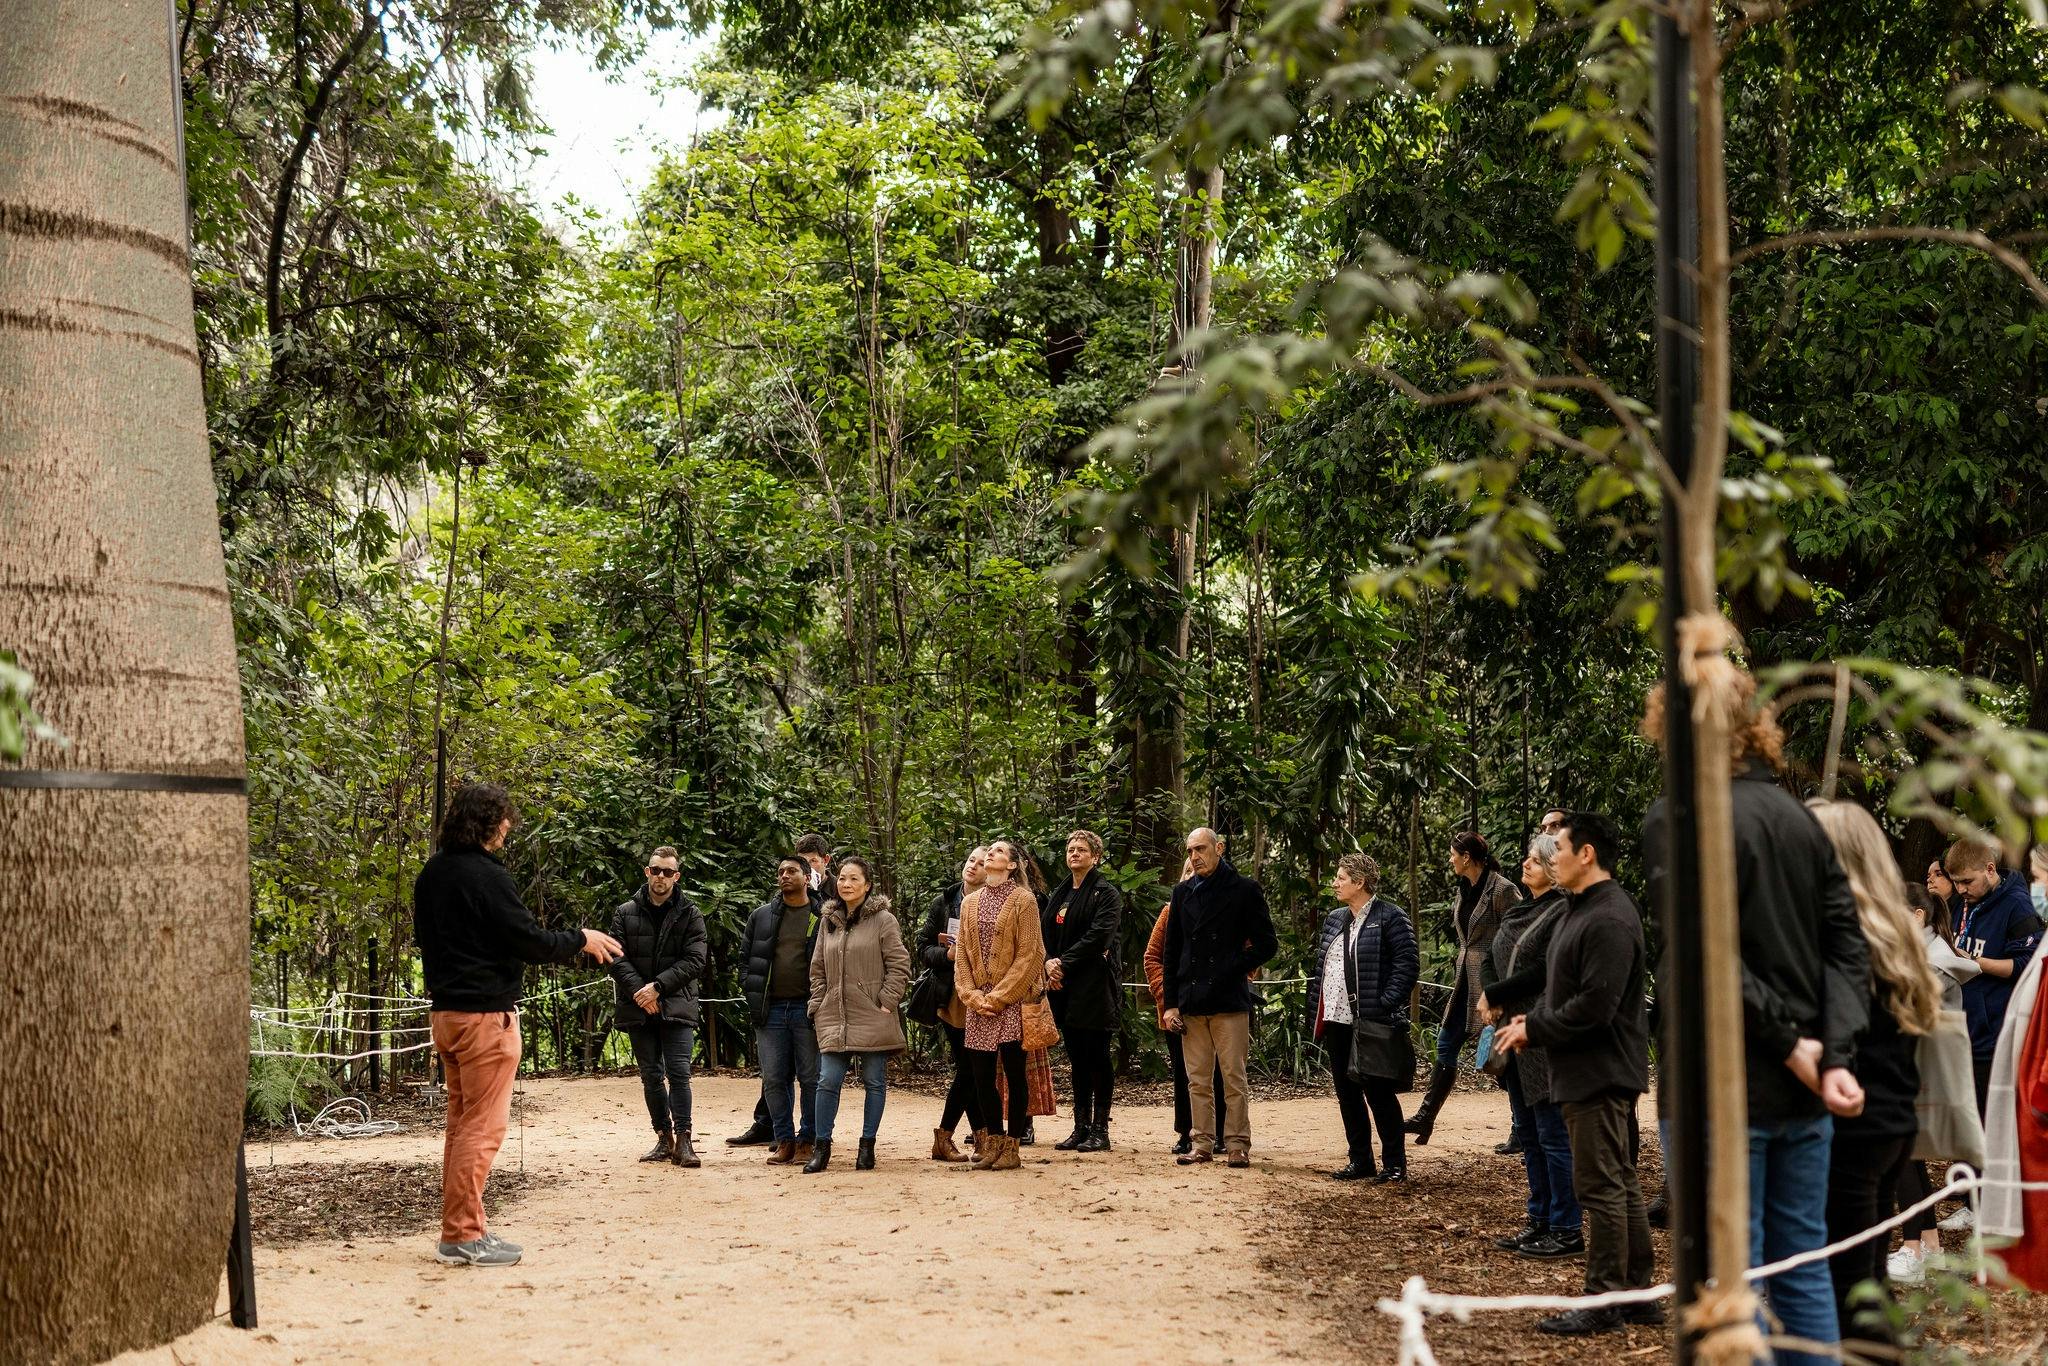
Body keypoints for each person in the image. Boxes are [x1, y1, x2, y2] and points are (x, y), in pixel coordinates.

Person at [1642, 675, 1869, 1363]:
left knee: (1733, 1280)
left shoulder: (1678, 817)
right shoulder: (1799, 818)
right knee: (1802, 1268)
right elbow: (1848, 946)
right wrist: (1833, 1055)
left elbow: (1703, 951)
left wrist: (1803, 1047)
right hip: (1804, 1086)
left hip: (1722, 1088)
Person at [414, 782, 622, 1266]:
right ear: (487, 823)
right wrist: (580, 939)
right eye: (503, 820)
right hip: (484, 1018)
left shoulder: (432, 873)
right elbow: (527, 939)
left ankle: (467, 1228)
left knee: (461, 1127)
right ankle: (461, 1236)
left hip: (446, 1016)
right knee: (481, 1130)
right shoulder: (487, 876)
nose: (507, 829)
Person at [1494, 812, 1656, 1337]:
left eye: (1559, 848)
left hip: (1600, 1070)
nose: (1551, 856)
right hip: (1582, 1067)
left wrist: (1535, 1028)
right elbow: (1560, 984)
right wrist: (1529, 1020)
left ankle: (1603, 1299)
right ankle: (1638, 1295)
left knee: (1601, 1186)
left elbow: (1595, 1006)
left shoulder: (1609, 916)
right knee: (1618, 1181)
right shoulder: (1578, 909)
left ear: (1586, 854)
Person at [1806, 801, 1943, 1348]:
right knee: (1866, 1275)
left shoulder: (1846, 936)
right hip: (1891, 1120)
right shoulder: (1895, 932)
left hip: (1853, 1123)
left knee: (1849, 1284)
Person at [1480, 834, 1580, 1258]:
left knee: (1552, 1133)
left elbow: (1543, 969)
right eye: (1527, 858)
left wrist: (1495, 993)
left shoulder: (1562, 911)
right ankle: (1539, 1218)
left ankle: (1567, 1227)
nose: (1526, 864)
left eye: (1536, 860)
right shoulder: (1520, 909)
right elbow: (1489, 956)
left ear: (1554, 869)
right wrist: (1490, 993)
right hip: (1510, 1029)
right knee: (1528, 1132)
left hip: (1540, 1031)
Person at [1163, 827, 1279, 1168]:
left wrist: (1232, 966)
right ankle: (1201, 1143)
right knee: (1197, 1079)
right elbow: (1171, 952)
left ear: (1220, 848)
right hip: (1192, 999)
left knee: (1233, 1077)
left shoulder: (1244, 889)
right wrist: (1171, 1004)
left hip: (1228, 998)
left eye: (1200, 849)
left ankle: (1237, 1144)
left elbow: (1267, 944)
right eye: (1189, 851)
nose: (1194, 856)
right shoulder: (1181, 893)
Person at [1307, 852, 1417, 1183]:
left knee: (1378, 1093)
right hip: (1336, 1021)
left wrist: (1384, 1003)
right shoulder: (1335, 919)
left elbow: (1407, 965)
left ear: (1360, 882)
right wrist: (1316, 1012)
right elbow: (1321, 968)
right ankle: (1360, 1160)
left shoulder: (1391, 917)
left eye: (1341, 878)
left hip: (1371, 1021)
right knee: (1347, 1094)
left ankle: (1394, 1164)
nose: (1335, 883)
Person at [1890, 882, 1979, 1283]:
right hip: (1914, 1069)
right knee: (1910, 1156)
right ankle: (1929, 1247)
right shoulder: (1921, 955)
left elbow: (1902, 1009)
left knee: (1904, 1156)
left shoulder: (1935, 962)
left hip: (1919, 1072)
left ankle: (1913, 1250)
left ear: (1916, 916)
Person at [1408, 831, 1517, 1145]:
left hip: (1492, 980)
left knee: (1501, 1055)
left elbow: (1518, 935)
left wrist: (1501, 987)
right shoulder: (1463, 888)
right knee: (1446, 1043)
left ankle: (1521, 1129)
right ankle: (1425, 1117)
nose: (1450, 859)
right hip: (1463, 981)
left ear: (1467, 857)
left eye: (1453, 854)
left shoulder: (1503, 889)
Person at [804, 855, 910, 1173]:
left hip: (872, 1014)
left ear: (868, 885)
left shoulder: (884, 920)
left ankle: (867, 1147)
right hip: (833, 1013)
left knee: (874, 1081)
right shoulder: (829, 920)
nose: (846, 884)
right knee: (827, 1080)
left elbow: (899, 965)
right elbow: (817, 967)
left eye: (854, 879)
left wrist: (886, 1002)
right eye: (842, 878)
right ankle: (821, 1147)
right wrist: (818, 1002)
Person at [608, 844, 709, 1169]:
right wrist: (642, 992)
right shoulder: (625, 912)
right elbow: (615, 956)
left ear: (676, 876)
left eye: (667, 872)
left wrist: (658, 988)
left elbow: (695, 960)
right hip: (638, 1005)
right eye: (655, 870)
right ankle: (664, 1138)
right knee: (651, 1075)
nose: (660, 876)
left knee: (679, 1074)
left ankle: (684, 1140)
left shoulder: (690, 913)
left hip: (676, 1004)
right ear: (647, 872)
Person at [732, 832, 835, 1148]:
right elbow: (745, 959)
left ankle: (808, 1138)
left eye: (792, 871)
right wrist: (752, 989)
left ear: (807, 877)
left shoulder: (824, 916)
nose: (785, 876)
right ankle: (783, 1138)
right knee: (775, 1079)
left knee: (811, 1078)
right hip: (771, 1009)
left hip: (808, 1009)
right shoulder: (761, 916)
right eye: (780, 872)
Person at [954, 838, 1044, 1171]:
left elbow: (1030, 954)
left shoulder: (1024, 900)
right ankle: (993, 1141)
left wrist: (999, 997)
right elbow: (961, 955)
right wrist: (973, 996)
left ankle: (1012, 1146)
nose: (991, 853)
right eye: (990, 849)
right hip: (978, 1003)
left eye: (999, 851)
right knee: (981, 1076)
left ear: (1012, 865)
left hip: (1012, 1001)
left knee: (1015, 1074)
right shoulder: (969, 902)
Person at [1947, 834, 2044, 1113]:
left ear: (1990, 869)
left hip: (1993, 1036)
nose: (1961, 889)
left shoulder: (2017, 905)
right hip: (1962, 1030)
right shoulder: (1962, 902)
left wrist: (1974, 961)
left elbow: (2028, 965)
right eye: (1956, 882)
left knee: (1986, 1118)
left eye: (1967, 881)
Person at [1043, 829, 1125, 1152]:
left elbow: (1098, 936)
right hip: (1064, 987)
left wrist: (1062, 964)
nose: (1074, 853)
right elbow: (1046, 932)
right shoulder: (1061, 893)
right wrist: (1049, 962)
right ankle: (1080, 1127)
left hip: (1094, 987)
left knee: (1097, 1057)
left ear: (1096, 857)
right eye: (1071, 849)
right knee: (1076, 1059)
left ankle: (1101, 1129)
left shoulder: (1106, 894)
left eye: (1081, 849)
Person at [1145, 857, 1226, 1155]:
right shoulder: (1170, 912)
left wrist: (1231, 986)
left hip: (1220, 1005)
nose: (1192, 875)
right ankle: (1186, 1131)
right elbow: (1152, 958)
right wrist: (1169, 999)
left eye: (1197, 871)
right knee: (1185, 1073)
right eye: (1187, 871)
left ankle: (1221, 1132)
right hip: (1179, 1009)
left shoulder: (1228, 908)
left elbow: (1249, 951)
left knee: (1221, 1072)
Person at [916, 847, 987, 1162]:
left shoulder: (995, 902)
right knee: (969, 1068)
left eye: (982, 863)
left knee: (971, 1069)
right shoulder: (944, 901)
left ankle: (972, 1138)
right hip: (952, 995)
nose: (973, 866)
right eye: (971, 860)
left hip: (985, 994)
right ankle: (951, 1138)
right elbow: (923, 947)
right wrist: (947, 955)